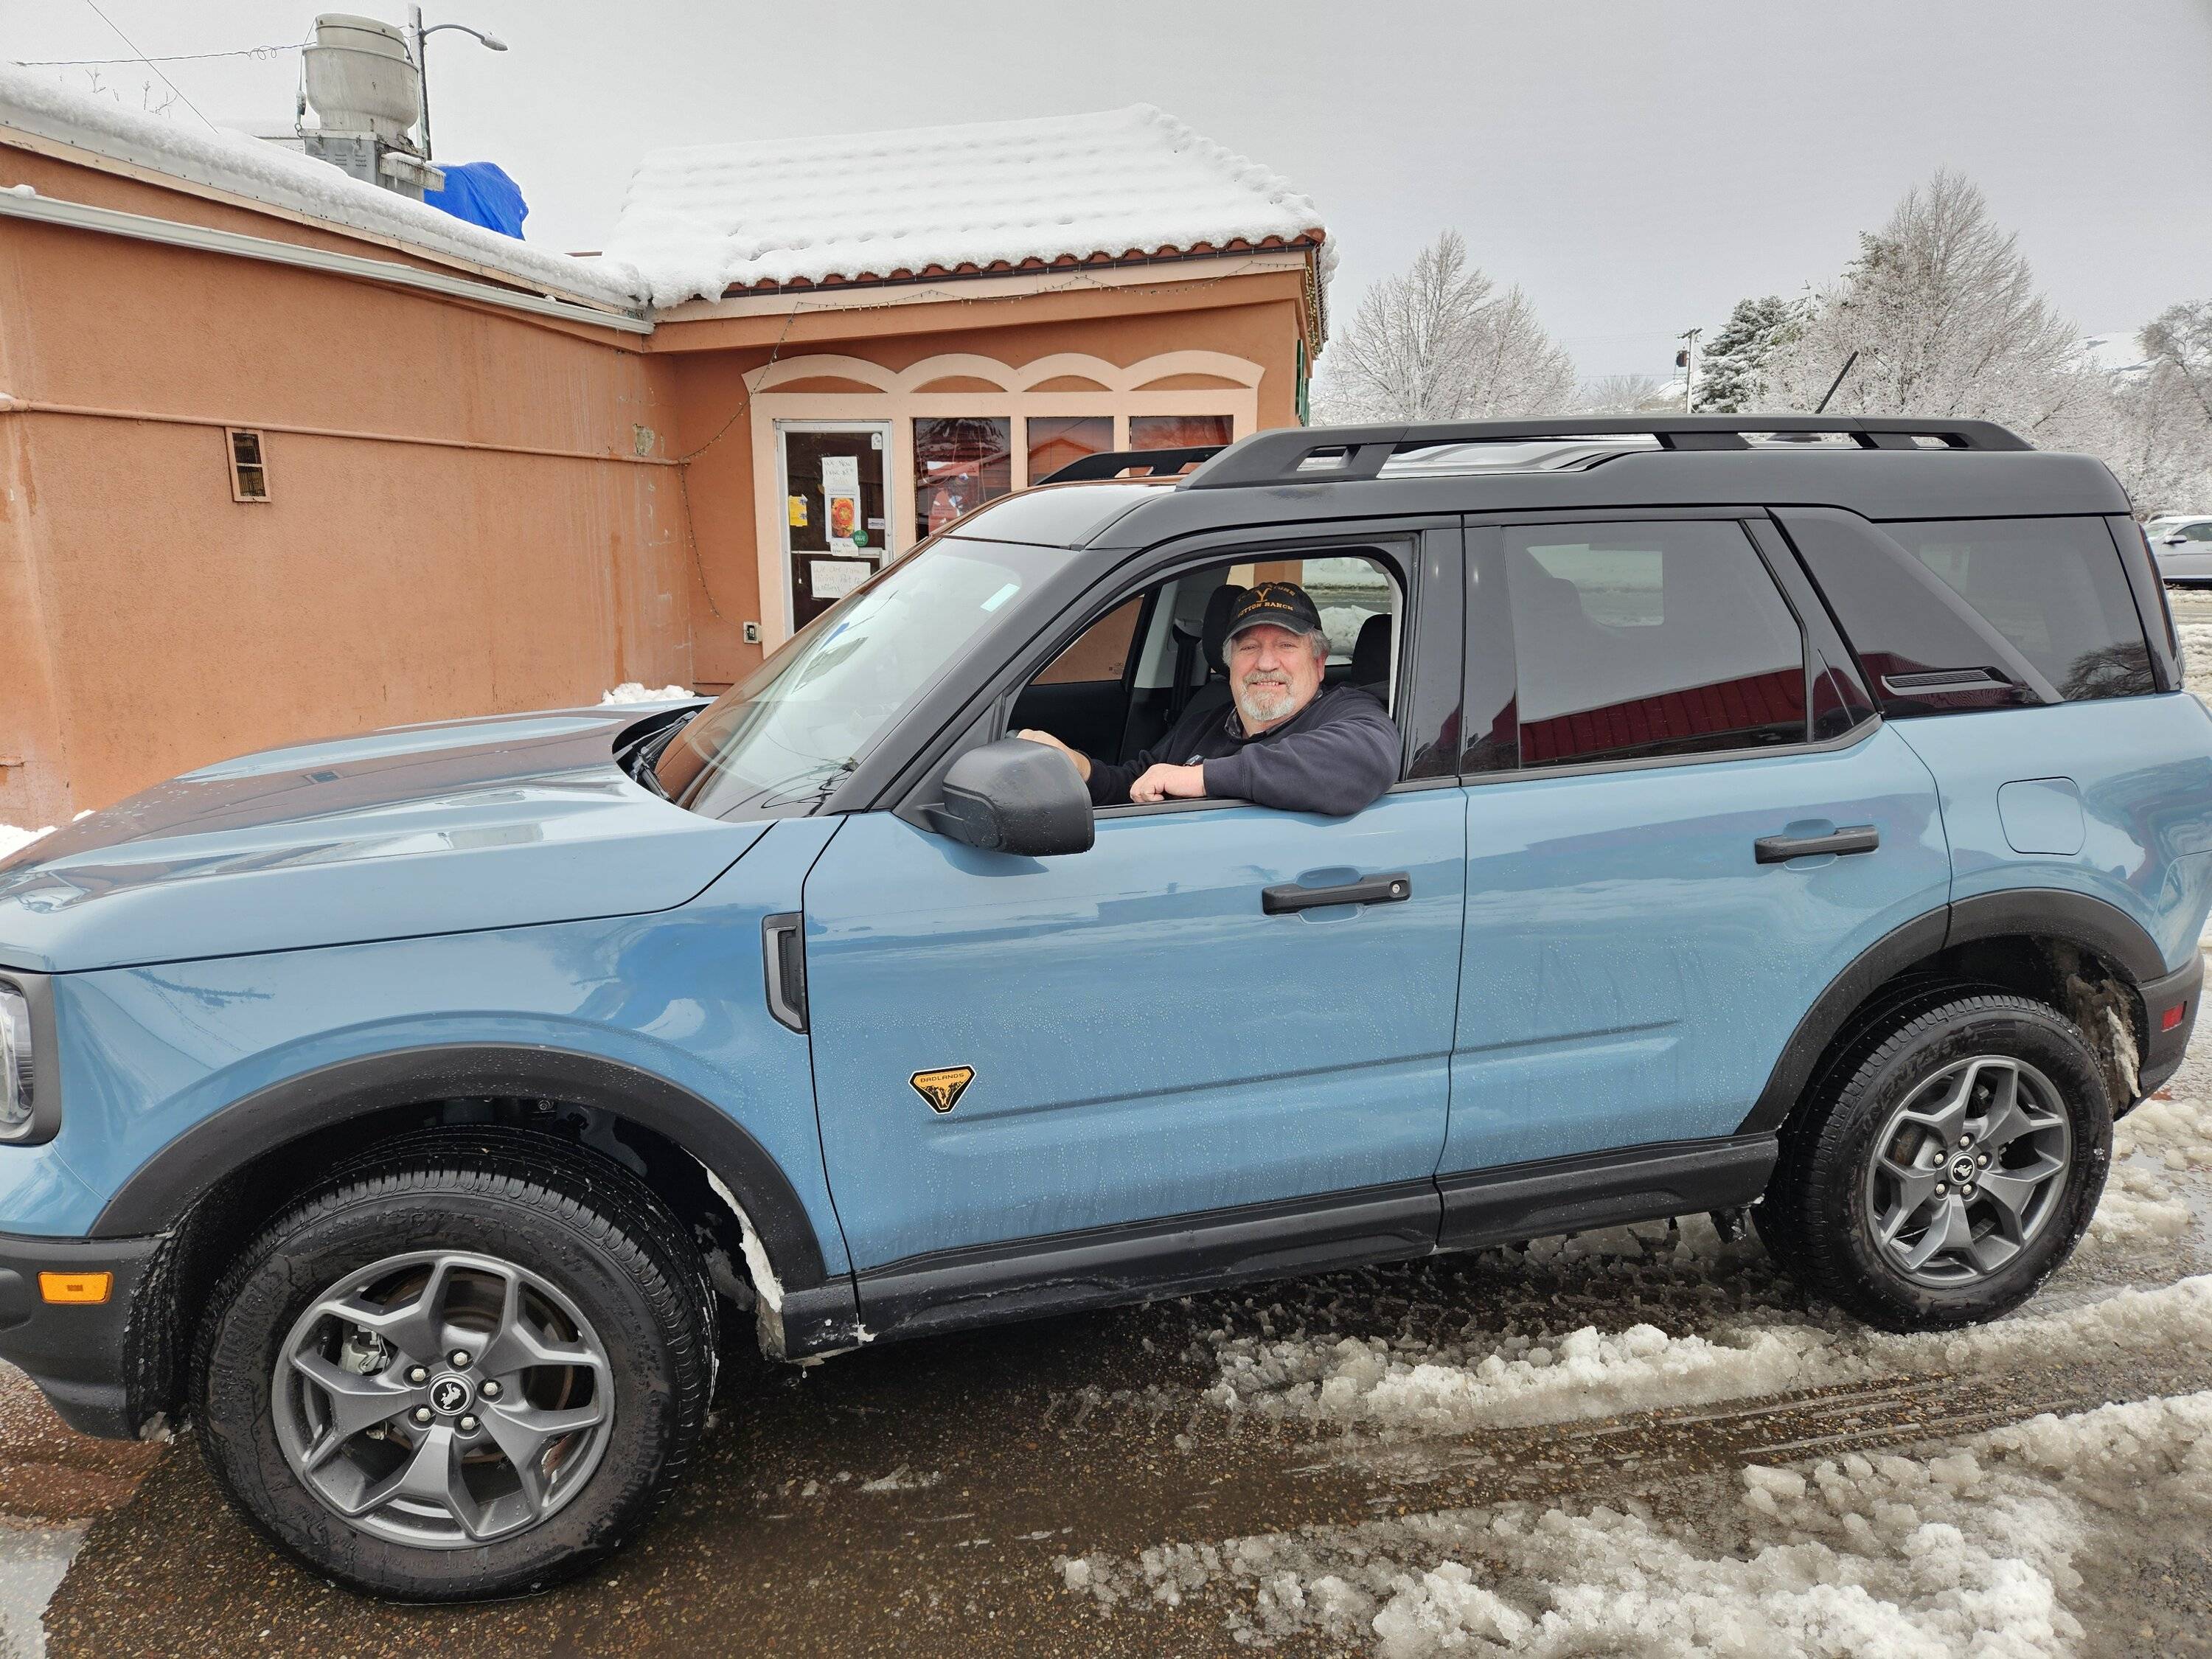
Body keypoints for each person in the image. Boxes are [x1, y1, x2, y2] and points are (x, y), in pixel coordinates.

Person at [1020, 581, 1399, 818]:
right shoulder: (1207, 722)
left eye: (1286, 645)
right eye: (1249, 647)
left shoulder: (1347, 712)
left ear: (1318, 664)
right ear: (1229, 663)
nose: (1266, 663)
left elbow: (1362, 761)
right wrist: (1078, 769)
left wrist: (1202, 778)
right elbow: (1138, 785)